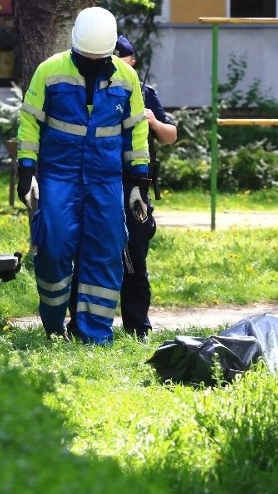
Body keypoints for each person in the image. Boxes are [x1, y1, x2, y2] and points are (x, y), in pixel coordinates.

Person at [17, 6, 150, 345]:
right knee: (53, 248)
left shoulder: (126, 78)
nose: (92, 63)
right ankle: (53, 327)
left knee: (105, 253)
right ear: (74, 47)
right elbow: (31, 120)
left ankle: (94, 335)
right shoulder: (50, 71)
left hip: (105, 181)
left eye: (99, 60)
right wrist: (27, 169)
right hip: (57, 177)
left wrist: (138, 182)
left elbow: (135, 132)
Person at [67, 34, 177, 339]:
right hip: (98, 183)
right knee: (87, 255)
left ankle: (137, 326)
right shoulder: (88, 91)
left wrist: (153, 122)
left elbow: (171, 135)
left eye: (121, 56)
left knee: (133, 258)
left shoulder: (144, 92)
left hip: (134, 188)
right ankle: (80, 324)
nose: (114, 61)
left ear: (132, 61)